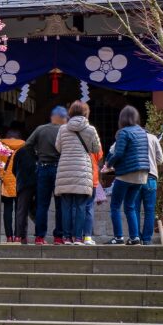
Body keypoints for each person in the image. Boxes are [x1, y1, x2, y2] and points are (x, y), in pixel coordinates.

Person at [54, 101, 101, 247]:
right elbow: (96, 148)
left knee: (66, 205)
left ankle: (67, 238)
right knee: (81, 205)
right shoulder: (91, 129)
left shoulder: (62, 129)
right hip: (83, 170)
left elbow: (58, 147)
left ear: (71, 113)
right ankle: (79, 238)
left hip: (65, 169)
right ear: (86, 113)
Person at [104, 105, 150, 245]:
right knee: (130, 206)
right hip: (142, 174)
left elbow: (119, 153)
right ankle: (135, 237)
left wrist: (108, 165)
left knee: (115, 206)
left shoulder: (123, 132)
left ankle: (118, 237)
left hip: (126, 173)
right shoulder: (143, 132)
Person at [25, 106, 67, 244]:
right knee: (60, 204)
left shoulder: (40, 129)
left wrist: (36, 157)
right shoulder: (64, 130)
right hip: (59, 169)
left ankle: (39, 236)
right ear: (63, 118)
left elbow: (28, 145)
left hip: (43, 168)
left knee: (42, 204)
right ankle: (59, 237)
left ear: (52, 117)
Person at [0, 129, 27, 242]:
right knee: (20, 210)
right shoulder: (24, 147)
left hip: (6, 183)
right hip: (21, 182)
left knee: (7, 210)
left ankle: (9, 236)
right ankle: (19, 236)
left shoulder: (1, 147)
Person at [11, 128, 37, 245]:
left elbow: (13, 169)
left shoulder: (20, 151)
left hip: (23, 184)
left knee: (21, 210)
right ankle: (40, 236)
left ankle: (20, 236)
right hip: (38, 183)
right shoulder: (39, 151)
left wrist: (19, 178)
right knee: (38, 209)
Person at [139, 130, 163, 245]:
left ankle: (135, 236)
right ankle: (146, 239)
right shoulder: (153, 138)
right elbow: (160, 160)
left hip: (135, 176)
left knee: (134, 208)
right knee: (149, 210)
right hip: (151, 176)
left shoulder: (132, 137)